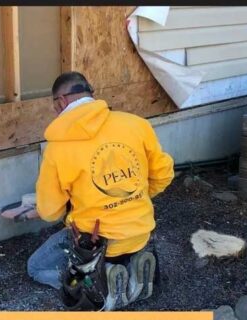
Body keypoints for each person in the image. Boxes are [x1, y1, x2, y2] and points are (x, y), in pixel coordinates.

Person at [27, 71, 174, 310]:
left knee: (35, 268)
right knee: (129, 245)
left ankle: (96, 282)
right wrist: (136, 200)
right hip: (140, 232)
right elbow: (164, 174)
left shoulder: (57, 149)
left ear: (62, 101)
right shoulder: (136, 124)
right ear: (89, 94)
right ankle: (132, 272)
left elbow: (50, 212)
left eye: (55, 106)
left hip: (94, 243)